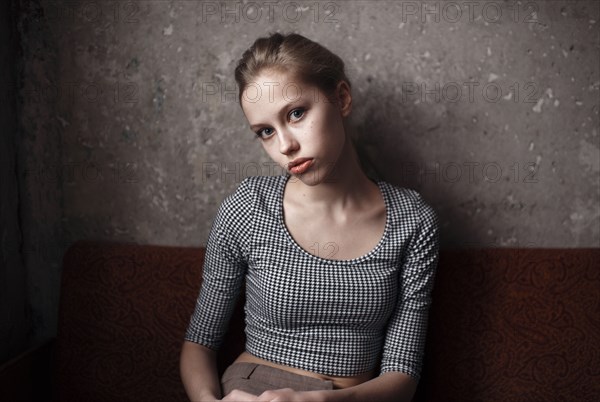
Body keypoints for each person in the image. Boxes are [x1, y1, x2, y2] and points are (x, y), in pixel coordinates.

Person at [180, 32, 440, 402]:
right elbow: (199, 343)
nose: (285, 145)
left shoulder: (411, 221)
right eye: (266, 132)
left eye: (297, 113)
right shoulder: (249, 207)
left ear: (342, 98)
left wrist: (315, 400)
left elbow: (403, 374)